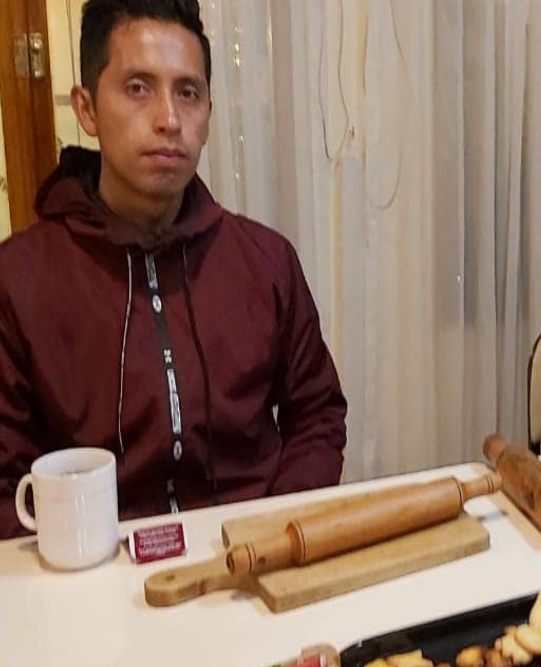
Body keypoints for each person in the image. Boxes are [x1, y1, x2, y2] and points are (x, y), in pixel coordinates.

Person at [0, 0, 347, 539]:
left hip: (257, 556)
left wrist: (277, 531)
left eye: (187, 92)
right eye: (138, 88)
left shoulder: (265, 261)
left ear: (208, 113)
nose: (168, 119)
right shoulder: (18, 280)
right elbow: (6, 482)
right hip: (91, 568)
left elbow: (318, 414)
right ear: (87, 109)